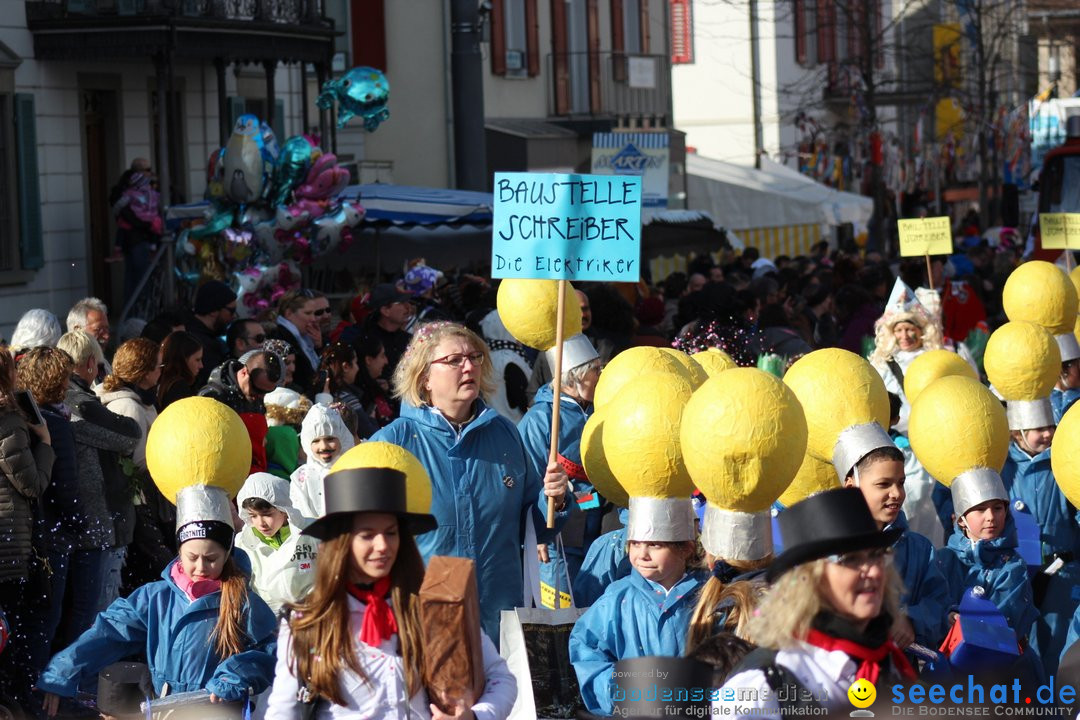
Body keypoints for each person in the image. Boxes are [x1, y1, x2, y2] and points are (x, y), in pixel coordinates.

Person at [264, 465, 517, 719]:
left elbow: (500, 678)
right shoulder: (307, 622)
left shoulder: (434, 606)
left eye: (391, 533)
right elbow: (284, 712)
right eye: (367, 535)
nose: (383, 545)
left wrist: (474, 717)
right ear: (342, 542)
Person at [371, 321, 571, 642]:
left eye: (475, 357)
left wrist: (554, 499)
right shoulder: (393, 443)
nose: (469, 366)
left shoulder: (505, 434)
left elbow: (534, 528)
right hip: (425, 617)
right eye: (454, 360)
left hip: (498, 613)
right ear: (424, 378)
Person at [37, 488, 278, 711]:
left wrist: (234, 675)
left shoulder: (242, 601)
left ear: (227, 555)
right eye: (192, 557)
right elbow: (108, 632)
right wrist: (61, 672)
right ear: (179, 552)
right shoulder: (155, 598)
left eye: (212, 558)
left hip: (216, 710)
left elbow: (268, 648)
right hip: (164, 708)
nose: (201, 567)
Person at [718, 489, 916, 716]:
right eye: (851, 560)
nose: (872, 571)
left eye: (876, 555)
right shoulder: (763, 685)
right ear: (808, 579)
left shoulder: (890, 662)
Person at [569, 507, 707, 715]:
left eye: (654, 544)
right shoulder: (617, 597)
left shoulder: (708, 595)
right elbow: (587, 649)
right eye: (634, 543)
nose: (642, 554)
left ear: (686, 548)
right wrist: (618, 691)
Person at [56, 331, 141, 620]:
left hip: (72, 518)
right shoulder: (76, 400)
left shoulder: (58, 401)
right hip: (94, 520)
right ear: (92, 363)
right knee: (92, 613)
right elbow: (129, 434)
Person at [517, 334, 602, 603]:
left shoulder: (598, 408)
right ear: (574, 378)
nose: (602, 375)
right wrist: (536, 534)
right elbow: (526, 478)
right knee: (562, 616)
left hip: (596, 524)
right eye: (596, 370)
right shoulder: (540, 419)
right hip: (556, 535)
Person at [841, 445, 951, 649]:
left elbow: (939, 603)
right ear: (852, 488)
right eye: (884, 484)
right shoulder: (829, 551)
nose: (897, 494)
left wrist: (911, 619)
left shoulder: (921, 549)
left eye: (901, 483)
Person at [15, 348, 81, 683]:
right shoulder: (55, 424)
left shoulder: (20, 420)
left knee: (23, 623)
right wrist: (77, 524)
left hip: (22, 535)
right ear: (57, 381)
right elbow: (66, 487)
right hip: (51, 537)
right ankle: (38, 693)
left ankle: (23, 689)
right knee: (45, 620)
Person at [0, 347, 54, 709]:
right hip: (7, 550)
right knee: (8, 636)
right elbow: (32, 484)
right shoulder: (7, 423)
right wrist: (46, 442)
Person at [936, 476, 1040, 660]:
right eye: (980, 509)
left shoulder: (1013, 565)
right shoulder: (944, 559)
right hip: (948, 665)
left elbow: (1004, 624)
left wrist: (965, 624)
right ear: (961, 519)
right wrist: (947, 616)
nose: (991, 517)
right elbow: (931, 603)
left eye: (998, 508)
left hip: (1001, 671)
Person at [96, 338, 169, 592]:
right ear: (144, 372)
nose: (161, 372)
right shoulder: (129, 406)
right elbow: (137, 461)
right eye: (158, 367)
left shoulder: (138, 400)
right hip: (138, 501)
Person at [235, 472, 319, 613]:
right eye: (253, 516)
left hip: (312, 614)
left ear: (284, 510)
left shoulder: (312, 532)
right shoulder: (244, 543)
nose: (260, 523)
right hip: (268, 621)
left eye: (267, 515)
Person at [868, 279, 942, 434]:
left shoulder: (936, 360)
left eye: (909, 329)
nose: (904, 336)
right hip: (898, 439)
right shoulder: (883, 364)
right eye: (899, 330)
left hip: (934, 434)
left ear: (921, 330)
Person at [200, 349, 284, 473]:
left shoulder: (253, 394)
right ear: (244, 372)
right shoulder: (213, 397)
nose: (261, 396)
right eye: (258, 390)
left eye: (268, 392)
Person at [109, 159, 162, 306]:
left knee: (134, 276)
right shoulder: (129, 190)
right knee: (141, 277)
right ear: (139, 171)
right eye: (148, 169)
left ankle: (133, 311)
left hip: (136, 237)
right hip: (137, 237)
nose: (150, 172)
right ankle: (137, 312)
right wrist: (147, 224)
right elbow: (127, 214)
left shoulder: (138, 187)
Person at [290, 403, 354, 519]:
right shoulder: (300, 478)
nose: (323, 446)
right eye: (316, 441)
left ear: (342, 438)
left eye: (330, 439)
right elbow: (300, 516)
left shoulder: (354, 470)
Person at [268, 290, 324, 395]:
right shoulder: (280, 337)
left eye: (314, 313)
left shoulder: (304, 338)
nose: (313, 319)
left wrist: (318, 347)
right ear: (289, 313)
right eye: (308, 313)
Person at [360, 284, 415, 387]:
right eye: (401, 303)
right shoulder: (367, 342)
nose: (408, 307)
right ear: (385, 310)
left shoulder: (409, 339)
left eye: (408, 302)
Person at [186, 280, 237, 387]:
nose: (234, 316)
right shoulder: (199, 343)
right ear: (213, 311)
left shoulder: (202, 335)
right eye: (231, 311)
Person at [157, 330, 203, 410]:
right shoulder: (178, 387)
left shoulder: (159, 380)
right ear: (183, 360)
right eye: (197, 360)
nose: (201, 366)